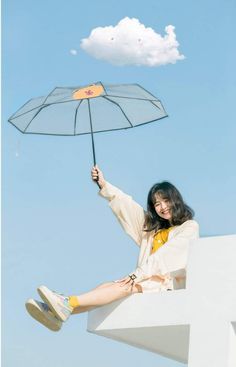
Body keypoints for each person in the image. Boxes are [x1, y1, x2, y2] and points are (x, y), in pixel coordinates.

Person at [25, 166, 199, 331]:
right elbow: (126, 205)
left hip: (166, 286)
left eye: (166, 200)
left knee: (122, 287)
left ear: (175, 199)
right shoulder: (153, 230)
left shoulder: (189, 227)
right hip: (144, 282)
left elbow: (167, 256)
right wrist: (103, 184)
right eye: (157, 204)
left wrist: (137, 275)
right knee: (107, 286)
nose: (162, 207)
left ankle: (66, 302)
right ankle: (55, 312)